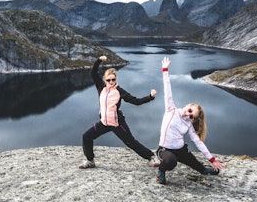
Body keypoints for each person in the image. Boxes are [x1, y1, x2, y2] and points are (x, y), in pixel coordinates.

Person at [78, 55, 160, 169]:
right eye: (108, 80)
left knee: (130, 142)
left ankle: (151, 157)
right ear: (104, 80)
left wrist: (150, 97)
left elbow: (136, 101)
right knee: (86, 136)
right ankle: (90, 160)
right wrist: (99, 61)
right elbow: (93, 72)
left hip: (117, 123)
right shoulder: (101, 87)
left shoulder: (119, 91)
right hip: (104, 122)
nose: (111, 82)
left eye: (113, 79)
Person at [155, 56, 224, 185]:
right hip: (165, 150)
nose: (188, 115)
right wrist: (165, 70)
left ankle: (204, 170)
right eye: (190, 111)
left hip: (181, 150)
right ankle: (161, 171)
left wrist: (212, 159)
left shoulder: (188, 125)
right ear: (188, 105)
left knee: (199, 167)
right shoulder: (171, 110)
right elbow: (167, 90)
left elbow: (198, 143)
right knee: (170, 162)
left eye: (192, 117)